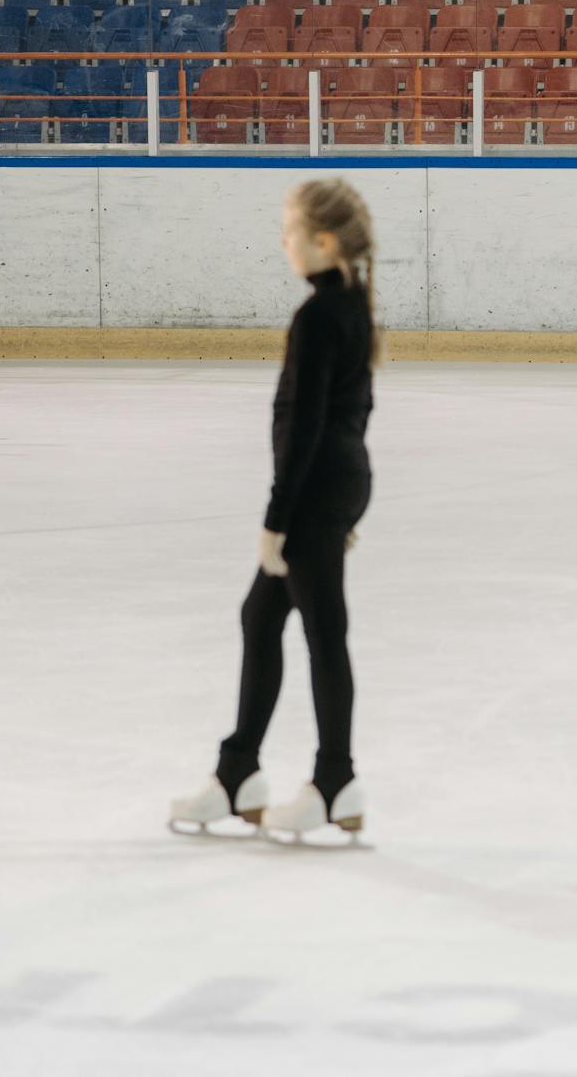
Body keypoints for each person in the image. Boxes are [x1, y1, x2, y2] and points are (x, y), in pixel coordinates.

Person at [170, 178, 380, 839]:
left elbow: (304, 426)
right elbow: (352, 414)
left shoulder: (318, 316)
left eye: (289, 232)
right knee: (261, 617)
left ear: (322, 241)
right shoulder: (352, 305)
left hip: (315, 490)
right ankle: (238, 775)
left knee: (323, 634)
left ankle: (335, 780)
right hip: (339, 484)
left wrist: (277, 519)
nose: (282, 243)